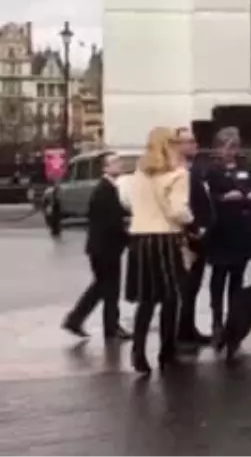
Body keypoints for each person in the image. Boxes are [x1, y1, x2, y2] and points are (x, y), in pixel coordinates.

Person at [124, 127, 194, 374]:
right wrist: (191, 220)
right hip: (166, 237)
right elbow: (178, 210)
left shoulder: (140, 173)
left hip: (140, 239)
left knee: (146, 299)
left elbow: (128, 201)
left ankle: (138, 351)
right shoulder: (178, 174)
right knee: (171, 297)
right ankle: (167, 350)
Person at [204, 127, 251, 349]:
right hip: (220, 232)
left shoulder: (246, 168)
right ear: (218, 147)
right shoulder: (210, 170)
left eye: (234, 146)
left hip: (242, 231)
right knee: (219, 278)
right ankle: (217, 321)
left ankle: (234, 321)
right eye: (226, 146)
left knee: (237, 279)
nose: (230, 151)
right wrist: (223, 198)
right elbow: (204, 197)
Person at [62, 151, 131, 341]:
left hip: (103, 248)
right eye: (114, 162)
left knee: (103, 287)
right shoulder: (104, 191)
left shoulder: (109, 188)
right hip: (104, 249)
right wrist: (129, 239)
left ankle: (79, 321)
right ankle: (106, 327)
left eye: (119, 160)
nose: (120, 164)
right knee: (109, 288)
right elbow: (111, 223)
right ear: (105, 168)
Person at [174, 126, 212, 347]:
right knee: (185, 287)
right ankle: (181, 332)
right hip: (187, 239)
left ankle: (188, 328)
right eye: (188, 141)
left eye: (194, 141)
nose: (194, 145)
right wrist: (195, 229)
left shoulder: (196, 169)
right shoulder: (177, 173)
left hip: (200, 239)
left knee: (193, 288)